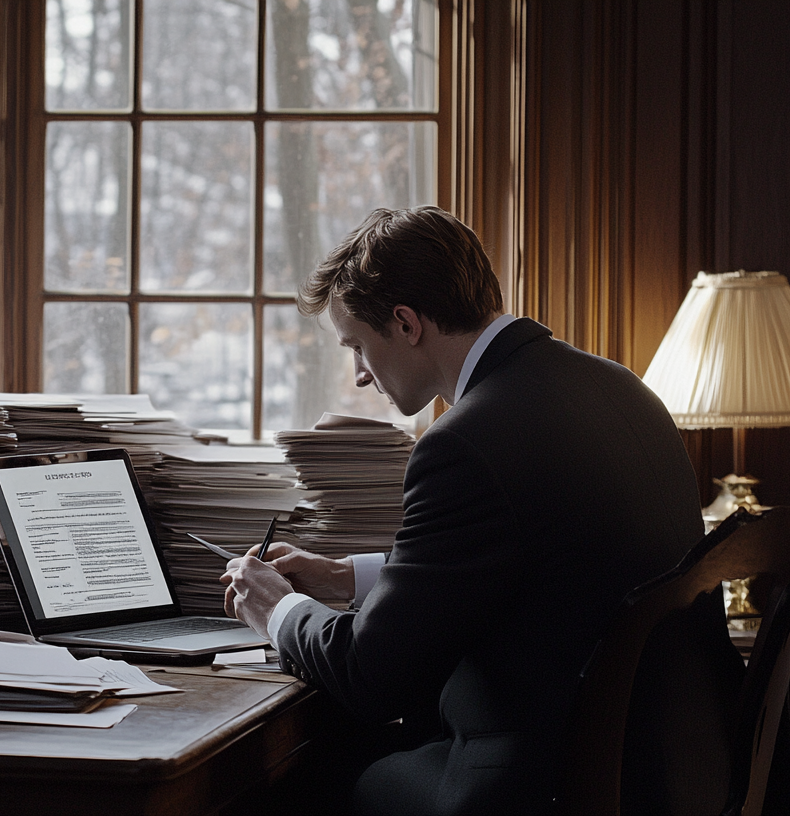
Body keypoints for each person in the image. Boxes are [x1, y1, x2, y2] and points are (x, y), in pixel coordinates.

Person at [222, 206, 743, 814]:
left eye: (357, 347)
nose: (360, 375)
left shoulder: (465, 441)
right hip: (671, 766)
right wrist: (346, 575)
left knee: (295, 779)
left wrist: (276, 609)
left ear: (406, 323)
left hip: (533, 781)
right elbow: (531, 556)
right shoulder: (618, 387)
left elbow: (372, 676)